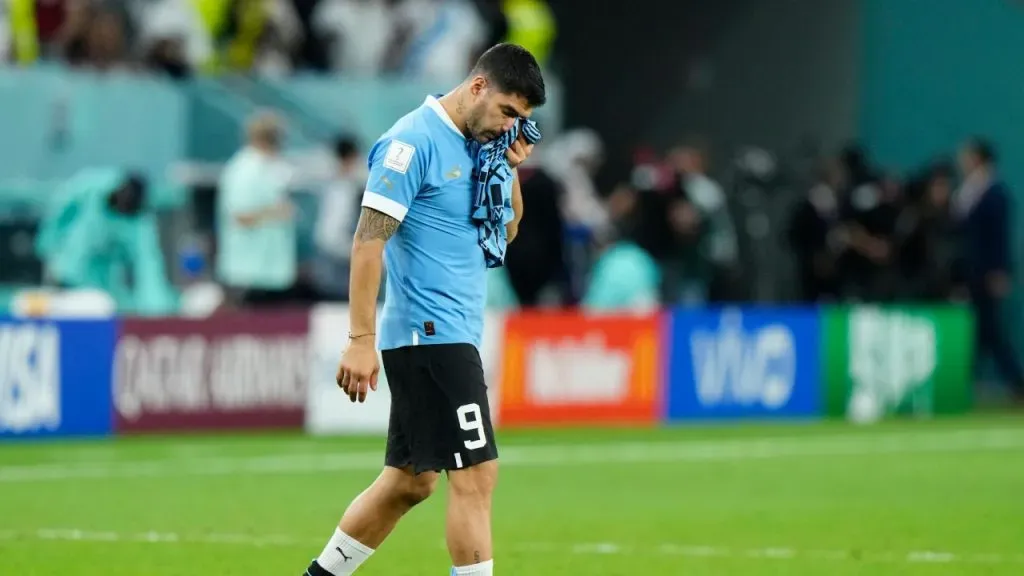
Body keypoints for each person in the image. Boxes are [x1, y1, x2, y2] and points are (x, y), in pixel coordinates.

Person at [302, 43, 546, 576]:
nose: (512, 126)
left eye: (522, 120)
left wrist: (509, 171)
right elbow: (368, 242)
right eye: (509, 111)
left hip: (450, 332)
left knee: (409, 482)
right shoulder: (411, 143)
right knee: (477, 475)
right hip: (428, 332)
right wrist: (360, 339)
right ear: (478, 86)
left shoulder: (482, 149)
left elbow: (505, 232)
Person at [952, 137, 1024, 402]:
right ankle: (969, 380)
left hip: (985, 272)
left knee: (990, 329)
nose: (961, 161)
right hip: (968, 271)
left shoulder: (995, 192)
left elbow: (999, 236)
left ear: (978, 158)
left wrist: (1000, 270)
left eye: (966, 155)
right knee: (980, 330)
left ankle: (1015, 380)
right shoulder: (966, 190)